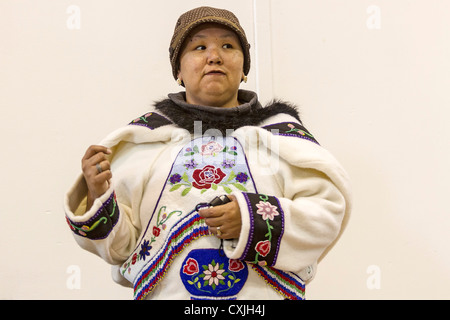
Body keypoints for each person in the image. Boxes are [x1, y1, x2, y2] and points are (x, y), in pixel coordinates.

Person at [64, 6, 352, 300]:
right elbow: (121, 249)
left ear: (244, 70)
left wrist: (253, 219)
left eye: (228, 45)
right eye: (199, 47)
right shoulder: (145, 142)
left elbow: (326, 215)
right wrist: (98, 194)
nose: (214, 56)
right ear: (178, 70)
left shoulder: (281, 138)